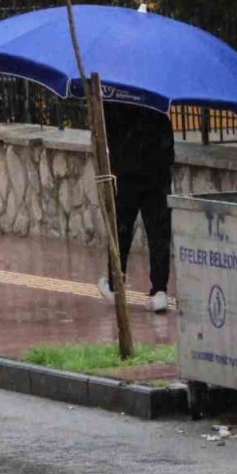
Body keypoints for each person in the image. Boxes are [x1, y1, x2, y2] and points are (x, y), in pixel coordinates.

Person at [98, 100, 174, 314]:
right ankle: (159, 290)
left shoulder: (116, 92)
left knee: (121, 228)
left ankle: (115, 285)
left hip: (127, 169)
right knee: (158, 231)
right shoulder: (154, 93)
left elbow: (108, 129)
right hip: (156, 168)